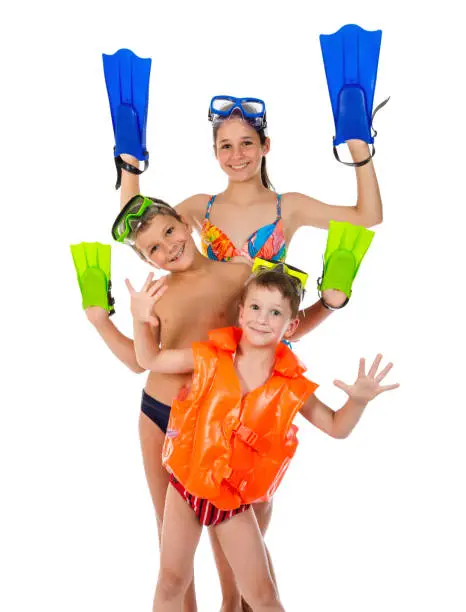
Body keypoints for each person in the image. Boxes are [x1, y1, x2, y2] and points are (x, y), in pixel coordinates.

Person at [115, 95, 383, 610]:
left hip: (250, 394)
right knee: (174, 550)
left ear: (265, 146)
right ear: (214, 152)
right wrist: (128, 165)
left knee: (241, 553)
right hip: (191, 384)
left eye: (245, 143)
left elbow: (366, 216)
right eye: (224, 146)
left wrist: (360, 152)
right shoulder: (197, 209)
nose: (236, 155)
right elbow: (139, 223)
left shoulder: (291, 207)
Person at [85, 196, 352, 611]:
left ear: (185, 222)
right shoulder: (157, 295)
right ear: (145, 258)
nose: (168, 246)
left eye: (171, 231)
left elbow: (282, 323)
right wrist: (108, 321)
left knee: (240, 537)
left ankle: (234, 605)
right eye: (154, 248)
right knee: (171, 539)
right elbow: (142, 361)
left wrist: (331, 303)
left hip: (231, 423)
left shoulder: (242, 273)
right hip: (161, 415)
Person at [125, 264, 398, 611]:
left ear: (291, 324)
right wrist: (139, 318)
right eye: (255, 307)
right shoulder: (209, 356)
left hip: (233, 502)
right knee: (171, 582)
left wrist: (357, 401)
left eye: (275, 312)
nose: (262, 319)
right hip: (186, 485)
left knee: (262, 596)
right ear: (240, 312)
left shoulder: (290, 384)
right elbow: (150, 358)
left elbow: (335, 426)